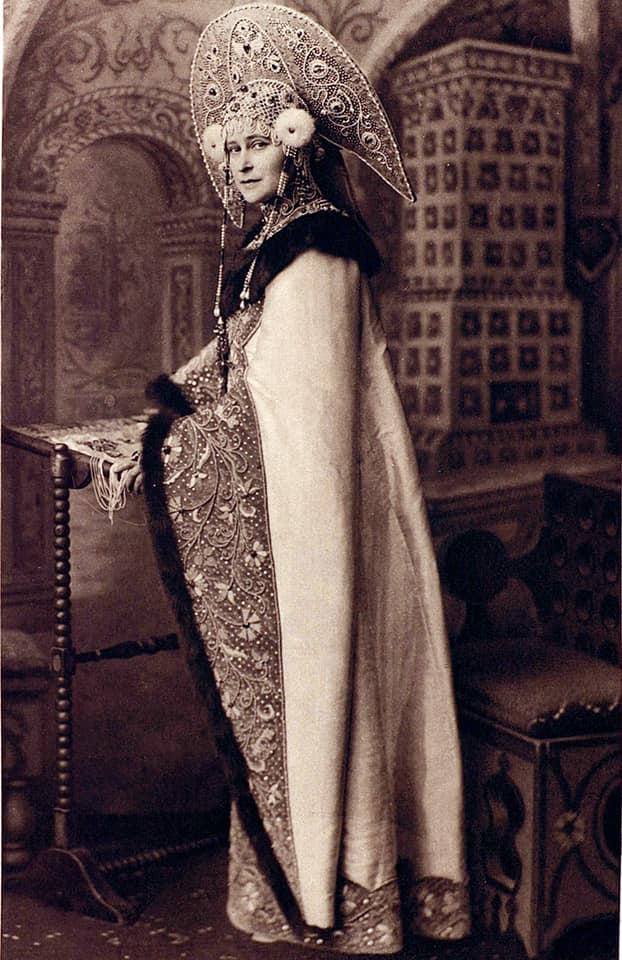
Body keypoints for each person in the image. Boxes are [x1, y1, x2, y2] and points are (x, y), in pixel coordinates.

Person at [135, 4, 470, 953]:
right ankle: (314, 880)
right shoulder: (275, 239)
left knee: (330, 673)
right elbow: (247, 357)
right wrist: (174, 400)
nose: (241, 162)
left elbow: (304, 408)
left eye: (257, 144)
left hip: (322, 509)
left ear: (296, 144)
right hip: (300, 501)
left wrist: (179, 441)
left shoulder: (317, 246)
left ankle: (337, 891)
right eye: (230, 146)